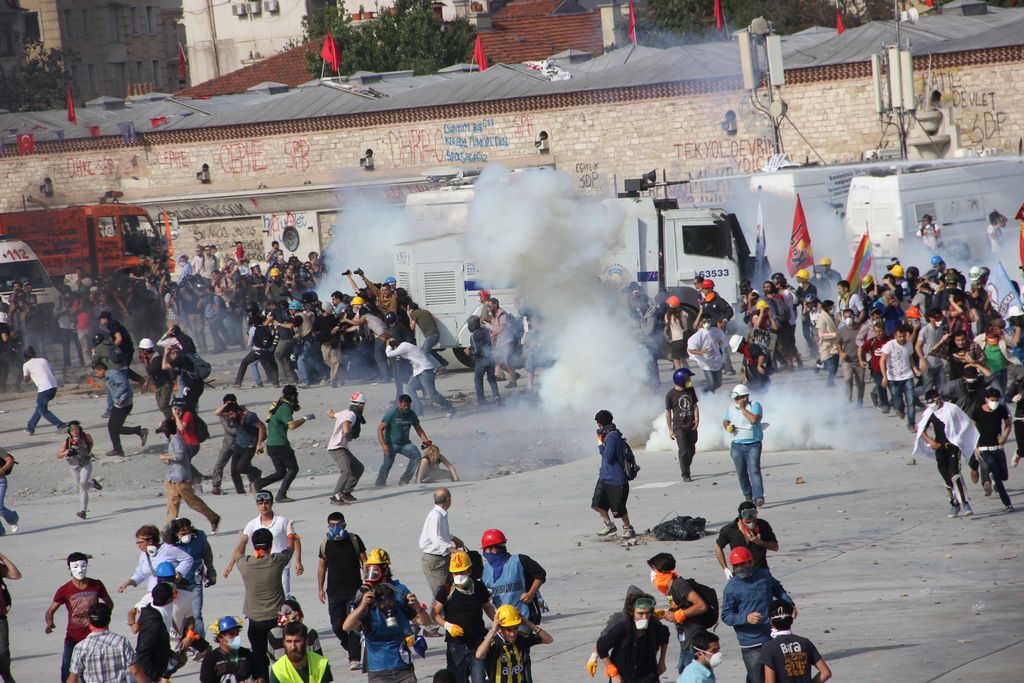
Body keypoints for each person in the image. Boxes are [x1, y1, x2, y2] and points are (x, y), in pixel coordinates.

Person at [342, 548, 428, 683]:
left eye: (375, 570)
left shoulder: (399, 591)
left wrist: (417, 606)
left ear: (385, 570)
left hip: (403, 667)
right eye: (369, 570)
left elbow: (425, 621)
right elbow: (347, 626)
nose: (371, 575)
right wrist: (363, 605)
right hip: (378, 670)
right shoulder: (364, 594)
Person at [721, 547, 795, 683]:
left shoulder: (764, 576)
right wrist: (745, 618)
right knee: (757, 678)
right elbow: (726, 615)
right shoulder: (731, 588)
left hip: (772, 637)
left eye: (743, 564)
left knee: (781, 677)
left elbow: (778, 589)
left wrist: (789, 603)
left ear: (751, 562)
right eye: (736, 565)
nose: (740, 568)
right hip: (751, 644)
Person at [236, 527, 296, 681]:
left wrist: (243, 540)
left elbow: (238, 555)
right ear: (271, 545)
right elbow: (290, 549)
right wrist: (290, 534)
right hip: (277, 619)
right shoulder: (277, 560)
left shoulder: (245, 563)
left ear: (254, 546)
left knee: (259, 658)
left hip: (256, 620)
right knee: (281, 658)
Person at [45, 552, 112, 683]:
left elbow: (109, 603)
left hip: (95, 636)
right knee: (67, 671)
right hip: (73, 637)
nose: (80, 570)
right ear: (69, 568)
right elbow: (50, 610)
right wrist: (49, 623)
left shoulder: (96, 584)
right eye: (75, 566)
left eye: (83, 566)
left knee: (96, 671)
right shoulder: (64, 590)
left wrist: (103, 618)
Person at [225, 491, 303, 598]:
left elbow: (295, 539)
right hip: (260, 566)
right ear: (257, 505)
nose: (263, 506)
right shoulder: (252, 524)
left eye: (266, 503)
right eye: (260, 503)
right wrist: (230, 565)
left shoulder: (282, 521)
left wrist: (298, 561)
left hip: (281, 565)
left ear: (271, 503)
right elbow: (242, 543)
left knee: (284, 598)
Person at [432, 550, 495, 683]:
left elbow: (487, 607)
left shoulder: (478, 587)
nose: (459, 575)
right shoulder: (446, 590)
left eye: (462, 572)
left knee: (480, 679)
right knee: (458, 679)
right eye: (456, 573)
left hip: (477, 643)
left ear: (469, 571)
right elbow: (435, 613)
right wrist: (448, 626)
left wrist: (498, 623)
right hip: (456, 646)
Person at [913, 389, 977, 518]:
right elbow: (921, 431)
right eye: (929, 403)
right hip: (939, 448)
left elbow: (965, 423)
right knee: (946, 478)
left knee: (955, 475)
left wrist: (959, 439)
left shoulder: (952, 408)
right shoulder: (930, 413)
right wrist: (931, 442)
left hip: (953, 446)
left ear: (938, 398)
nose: (932, 405)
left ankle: (965, 503)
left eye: (933, 402)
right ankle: (954, 504)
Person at [317, 511, 366, 671]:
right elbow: (322, 567)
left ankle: (354, 658)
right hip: (334, 591)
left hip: (354, 591)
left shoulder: (354, 539)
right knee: (337, 625)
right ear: (328, 526)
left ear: (344, 525)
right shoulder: (326, 544)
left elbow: (365, 562)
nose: (336, 528)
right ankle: (347, 647)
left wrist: (368, 582)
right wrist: (320, 589)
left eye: (339, 525)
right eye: (332, 525)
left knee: (353, 625)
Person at [647, 553, 709, 673]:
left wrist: (677, 615)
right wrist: (665, 613)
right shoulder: (670, 588)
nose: (652, 574)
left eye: (653, 570)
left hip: (693, 634)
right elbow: (680, 606)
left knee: (689, 672)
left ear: (662, 572)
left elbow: (701, 606)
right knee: (683, 669)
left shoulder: (679, 584)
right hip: (684, 634)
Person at [160, 418, 221, 530]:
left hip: (182, 478)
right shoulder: (175, 439)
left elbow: (180, 455)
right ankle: (170, 529)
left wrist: (165, 457)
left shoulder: (176, 440)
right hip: (172, 477)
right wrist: (168, 460)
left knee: (192, 502)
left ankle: (213, 517)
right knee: (172, 504)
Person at [595, 592, 669, 683]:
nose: (644, 617)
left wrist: (662, 661)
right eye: (640, 614)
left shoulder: (655, 627)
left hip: (647, 676)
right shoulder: (621, 629)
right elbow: (601, 647)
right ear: (632, 613)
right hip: (623, 678)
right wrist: (612, 672)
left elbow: (665, 636)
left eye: (647, 613)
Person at [66, 603, 148, 683]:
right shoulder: (121, 642)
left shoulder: (81, 647)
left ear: (90, 622)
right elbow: (135, 670)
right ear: (109, 620)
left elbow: (73, 677)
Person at [480, 529, 547, 625]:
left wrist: (530, 593)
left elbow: (540, 574)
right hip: (504, 621)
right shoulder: (485, 569)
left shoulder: (520, 560)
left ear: (494, 549)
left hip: (525, 617)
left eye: (485, 549)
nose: (485, 553)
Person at [257, 385, 310, 503]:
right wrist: (305, 418)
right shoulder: (284, 408)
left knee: (281, 472)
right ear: (292, 395)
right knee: (293, 469)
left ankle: (258, 483)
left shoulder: (278, 404)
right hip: (280, 445)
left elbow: (295, 408)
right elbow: (292, 426)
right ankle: (281, 495)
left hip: (271, 445)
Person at [166, 517, 216, 639]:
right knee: (177, 616)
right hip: (176, 585)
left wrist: (210, 570)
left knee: (196, 614)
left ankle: (199, 644)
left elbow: (207, 553)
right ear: (175, 533)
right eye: (183, 533)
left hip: (194, 581)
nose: (187, 535)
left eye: (188, 532)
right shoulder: (168, 545)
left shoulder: (200, 538)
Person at [476, 604, 551, 683]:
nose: (513, 634)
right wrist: (492, 631)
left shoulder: (520, 638)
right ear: (500, 628)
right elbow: (479, 655)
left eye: (515, 628)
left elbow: (548, 640)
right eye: (508, 630)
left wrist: (528, 623)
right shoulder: (494, 643)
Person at [761, 599, 831, 683]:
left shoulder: (769, 648)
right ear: (792, 619)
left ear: (771, 623)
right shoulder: (805, 642)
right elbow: (826, 673)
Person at [593, 409, 636, 539]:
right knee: (597, 504)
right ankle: (608, 524)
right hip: (604, 476)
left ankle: (628, 527)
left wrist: (600, 444)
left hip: (616, 479)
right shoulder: (608, 434)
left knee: (618, 508)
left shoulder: (612, 436)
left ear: (600, 423)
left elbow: (608, 456)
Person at [92, 361, 148, 457]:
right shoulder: (109, 375)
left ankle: (139, 431)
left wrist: (116, 396)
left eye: (96, 372)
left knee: (114, 428)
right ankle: (118, 449)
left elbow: (124, 384)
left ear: (101, 369)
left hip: (124, 404)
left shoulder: (113, 374)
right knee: (112, 427)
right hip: (120, 404)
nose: (96, 375)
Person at [118, 524, 194, 594]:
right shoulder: (144, 554)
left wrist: (179, 572)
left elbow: (188, 559)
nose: (138, 545)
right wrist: (128, 582)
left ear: (150, 541)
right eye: (137, 543)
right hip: (153, 593)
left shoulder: (167, 549)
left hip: (172, 592)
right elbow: (140, 574)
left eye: (141, 542)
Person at [723, 385, 766, 507]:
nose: (735, 401)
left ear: (745, 397)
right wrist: (727, 427)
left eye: (738, 398)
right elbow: (725, 421)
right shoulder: (731, 407)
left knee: (754, 471)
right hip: (737, 445)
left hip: (753, 445)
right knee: (741, 472)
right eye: (735, 399)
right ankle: (748, 496)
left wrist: (742, 408)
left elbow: (753, 420)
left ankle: (758, 497)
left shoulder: (755, 405)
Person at [972, 388, 1014, 512]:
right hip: (984, 449)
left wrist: (1004, 437)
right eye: (992, 400)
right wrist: (976, 447)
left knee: (1003, 476)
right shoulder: (978, 411)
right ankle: (1007, 503)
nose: (994, 402)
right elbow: (972, 430)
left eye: (996, 400)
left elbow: (1007, 424)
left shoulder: (1001, 409)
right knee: (996, 473)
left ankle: (993, 478)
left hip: (998, 448)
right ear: (986, 399)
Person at [376, 394, 431, 487]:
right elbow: (379, 429)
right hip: (391, 444)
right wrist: (384, 445)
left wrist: (426, 441)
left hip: (405, 444)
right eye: (404, 406)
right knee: (387, 464)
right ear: (399, 404)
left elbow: (418, 429)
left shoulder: (412, 414)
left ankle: (404, 480)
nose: (406, 408)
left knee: (416, 456)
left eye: (408, 406)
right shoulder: (392, 413)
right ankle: (379, 484)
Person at [420, 487, 466, 597]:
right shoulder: (436, 515)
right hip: (435, 561)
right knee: (441, 595)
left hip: (442, 559)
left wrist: (454, 539)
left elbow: (442, 534)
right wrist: (456, 551)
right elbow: (437, 540)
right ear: (448, 499)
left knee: (451, 590)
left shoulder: (441, 513)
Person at [715, 501, 778, 579]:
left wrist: (759, 542)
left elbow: (775, 547)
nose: (751, 524)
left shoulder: (763, 525)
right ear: (740, 519)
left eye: (754, 521)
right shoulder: (729, 530)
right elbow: (718, 547)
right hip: (740, 573)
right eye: (747, 522)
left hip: (761, 572)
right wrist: (725, 569)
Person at [326, 392, 367, 506]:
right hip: (336, 448)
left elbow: (332, 415)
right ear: (361, 405)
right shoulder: (351, 415)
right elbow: (346, 423)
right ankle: (335, 497)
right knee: (346, 471)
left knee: (358, 467)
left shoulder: (344, 412)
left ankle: (346, 492)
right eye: (363, 405)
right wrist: (347, 433)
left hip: (341, 448)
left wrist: (330, 413)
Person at [58, 421, 101, 520]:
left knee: (82, 486)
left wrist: (87, 452)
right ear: (69, 431)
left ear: (79, 429)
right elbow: (58, 455)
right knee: (81, 486)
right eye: (72, 430)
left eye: (76, 429)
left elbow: (91, 444)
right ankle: (93, 484)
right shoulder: (67, 441)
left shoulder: (86, 437)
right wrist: (66, 452)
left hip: (86, 463)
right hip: (73, 466)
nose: (75, 431)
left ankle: (83, 511)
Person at [22, 346, 67, 434]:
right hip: (53, 386)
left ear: (25, 358)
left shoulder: (26, 365)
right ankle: (30, 427)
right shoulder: (43, 360)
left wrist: (28, 376)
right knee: (39, 407)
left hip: (44, 389)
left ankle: (60, 425)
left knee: (43, 410)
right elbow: (51, 372)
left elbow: (25, 380)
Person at [665, 367, 700, 481]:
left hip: (691, 424)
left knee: (692, 450)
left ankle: (685, 465)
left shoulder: (690, 390)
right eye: (687, 378)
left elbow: (695, 405)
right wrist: (670, 429)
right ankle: (685, 473)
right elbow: (668, 412)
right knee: (684, 450)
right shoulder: (671, 394)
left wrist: (697, 418)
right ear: (680, 380)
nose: (689, 380)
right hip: (679, 426)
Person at [132, 583, 171, 683]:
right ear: (169, 599)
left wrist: (170, 653)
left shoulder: (149, 611)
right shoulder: (154, 623)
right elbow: (142, 654)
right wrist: (156, 678)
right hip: (149, 675)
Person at [225, 402, 266, 496]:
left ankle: (256, 472)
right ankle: (240, 493)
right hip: (239, 445)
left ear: (238, 411)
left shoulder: (250, 417)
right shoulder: (234, 418)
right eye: (229, 414)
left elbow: (262, 427)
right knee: (234, 471)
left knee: (241, 467)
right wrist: (227, 404)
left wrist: (259, 443)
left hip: (250, 446)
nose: (230, 416)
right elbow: (217, 412)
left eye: (232, 414)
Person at [200, 616, 256, 683]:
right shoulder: (210, 659)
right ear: (220, 637)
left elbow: (259, 673)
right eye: (231, 634)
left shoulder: (246, 653)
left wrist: (260, 678)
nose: (236, 637)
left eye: (237, 633)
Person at [266, 598, 323, 662]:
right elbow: (319, 660)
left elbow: (272, 658)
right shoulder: (311, 633)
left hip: (281, 670)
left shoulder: (274, 634)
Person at [466, 316, 501, 406]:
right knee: (491, 379)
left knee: (478, 380)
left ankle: (481, 400)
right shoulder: (486, 331)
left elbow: (477, 351)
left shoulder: (473, 335)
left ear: (472, 324)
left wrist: (469, 352)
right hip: (490, 359)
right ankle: (497, 396)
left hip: (481, 360)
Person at [687, 319, 724, 393]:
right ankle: (710, 400)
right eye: (704, 322)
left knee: (718, 384)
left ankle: (704, 391)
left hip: (715, 361)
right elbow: (691, 350)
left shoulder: (714, 332)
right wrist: (701, 352)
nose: (707, 324)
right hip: (706, 363)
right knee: (711, 384)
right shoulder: (698, 335)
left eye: (708, 322)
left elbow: (722, 341)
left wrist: (720, 342)